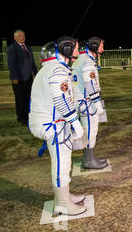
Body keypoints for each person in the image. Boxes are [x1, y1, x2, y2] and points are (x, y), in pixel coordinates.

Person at [28, 36, 87, 216]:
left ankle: (64, 196)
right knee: (62, 162)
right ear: (67, 50)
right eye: (75, 48)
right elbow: (61, 99)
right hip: (52, 124)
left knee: (63, 160)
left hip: (51, 122)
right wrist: (75, 123)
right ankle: (62, 203)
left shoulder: (52, 68)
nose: (78, 51)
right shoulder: (57, 70)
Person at [72, 37, 108, 170]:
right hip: (87, 103)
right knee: (90, 131)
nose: (103, 49)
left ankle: (90, 157)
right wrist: (97, 102)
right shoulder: (87, 62)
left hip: (82, 102)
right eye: (101, 46)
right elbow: (90, 84)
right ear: (94, 46)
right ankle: (88, 160)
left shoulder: (81, 59)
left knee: (89, 131)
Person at [7, 30, 38, 126]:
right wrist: (14, 77)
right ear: (15, 38)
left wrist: (35, 73)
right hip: (18, 79)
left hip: (28, 78)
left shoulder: (27, 47)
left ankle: (27, 115)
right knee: (20, 98)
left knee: (27, 98)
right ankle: (21, 118)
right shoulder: (13, 48)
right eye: (20, 36)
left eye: (23, 35)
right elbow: (11, 64)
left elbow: (32, 62)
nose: (22, 37)